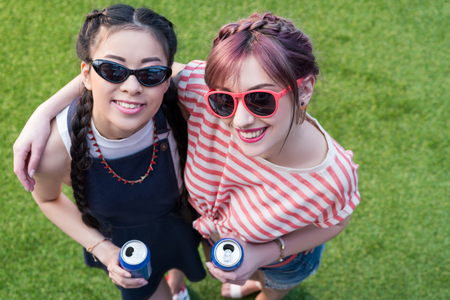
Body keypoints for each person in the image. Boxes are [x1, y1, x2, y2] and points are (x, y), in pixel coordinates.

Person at [14, 11, 360, 300]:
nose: (239, 120)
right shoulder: (201, 95)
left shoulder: (332, 176)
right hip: (210, 238)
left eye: (261, 99)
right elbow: (125, 71)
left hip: (283, 259)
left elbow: (337, 220)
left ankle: (261, 288)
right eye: (225, 100)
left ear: (305, 89)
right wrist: (43, 112)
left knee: (274, 285)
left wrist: (266, 254)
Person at [19, 4, 205, 300]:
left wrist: (44, 108)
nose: (132, 87)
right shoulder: (56, 147)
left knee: (181, 260)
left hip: (182, 220)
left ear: (167, 79)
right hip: (124, 247)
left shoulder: (179, 103)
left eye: (151, 73)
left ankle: (177, 284)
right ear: (87, 75)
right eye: (113, 70)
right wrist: (103, 250)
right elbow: (47, 198)